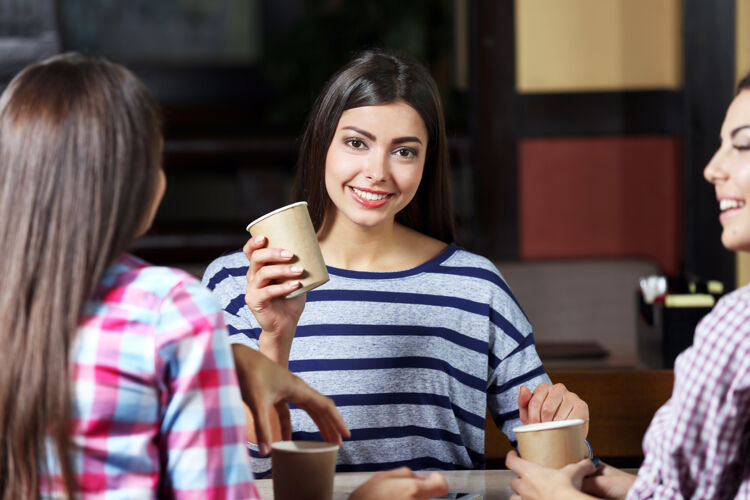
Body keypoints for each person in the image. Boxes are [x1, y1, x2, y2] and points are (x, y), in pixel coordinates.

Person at [0, 53, 425, 500]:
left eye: (404, 150)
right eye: (156, 159)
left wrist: (240, 357)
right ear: (137, 182)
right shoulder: (171, 308)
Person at [203, 48, 589, 478]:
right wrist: (275, 339)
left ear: (426, 163)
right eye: (356, 143)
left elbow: (558, 473)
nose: (377, 171)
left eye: (404, 151)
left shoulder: (476, 287)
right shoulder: (235, 282)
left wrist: (564, 426)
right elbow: (238, 471)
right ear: (322, 144)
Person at [505, 73, 750, 499]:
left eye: (743, 143)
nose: (712, 168)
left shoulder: (738, 324)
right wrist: (606, 480)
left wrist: (558, 496)